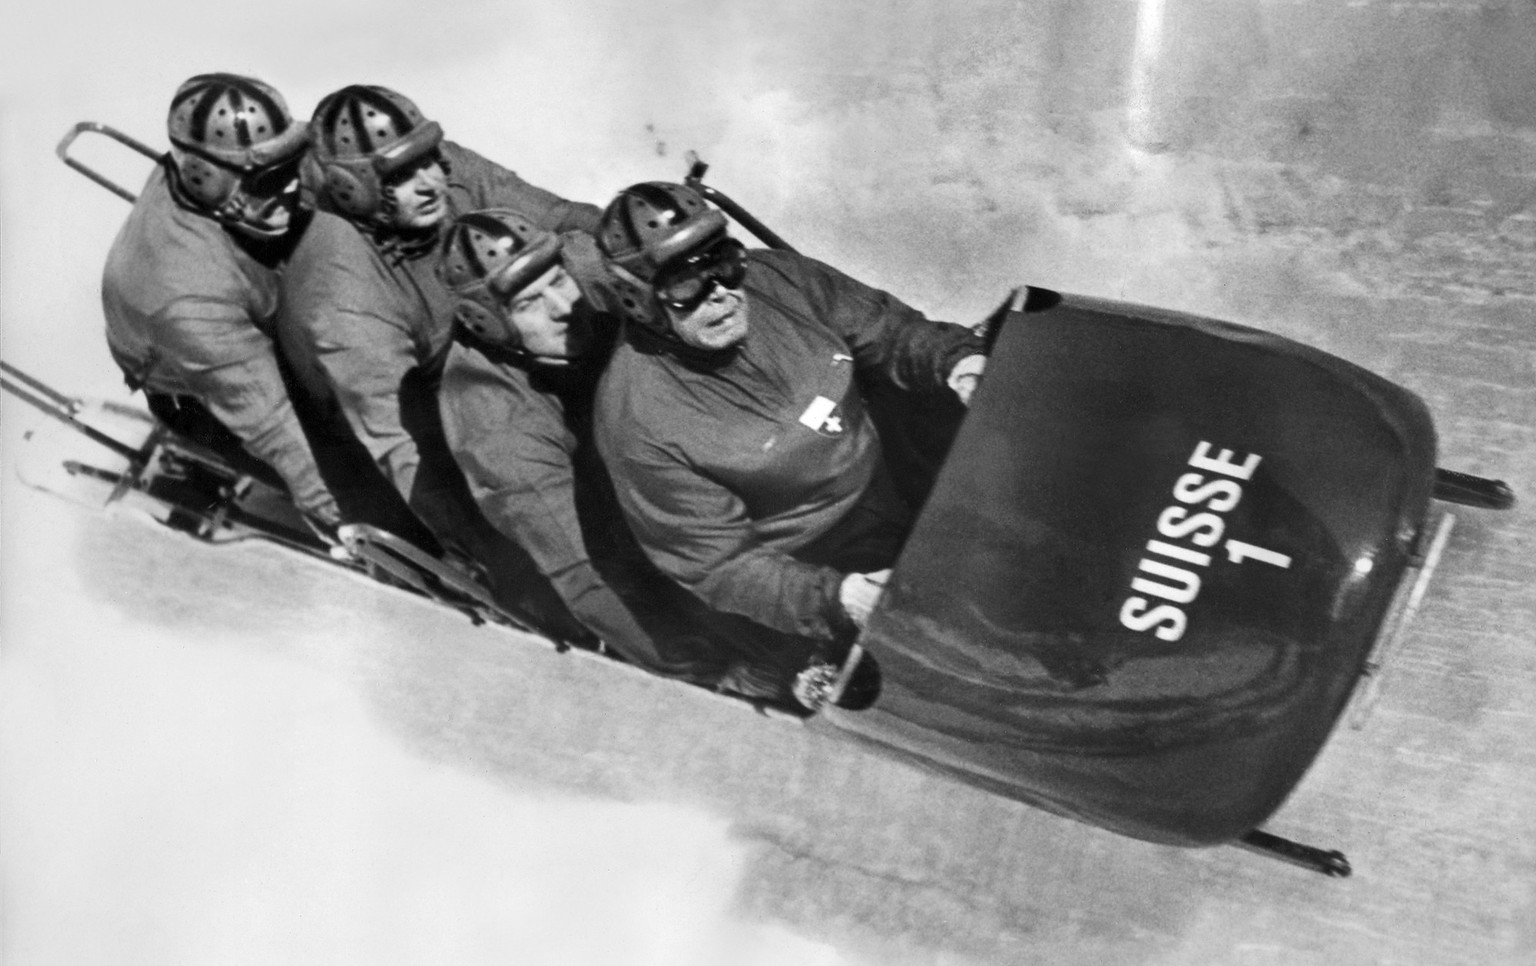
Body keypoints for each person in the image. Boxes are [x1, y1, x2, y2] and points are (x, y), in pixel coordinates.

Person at [592, 182, 987, 705]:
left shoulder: (781, 280)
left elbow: (891, 333)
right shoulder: (638, 420)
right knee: (950, 665)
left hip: (887, 471)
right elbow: (721, 565)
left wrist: (958, 363)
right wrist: (837, 599)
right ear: (641, 301)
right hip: (816, 557)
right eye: (687, 283)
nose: (720, 292)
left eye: (724, 264)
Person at [277, 84, 603, 635]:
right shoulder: (342, 291)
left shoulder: (441, 169)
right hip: (408, 413)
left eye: (427, 159)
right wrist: (500, 555)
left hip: (491, 350)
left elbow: (566, 220)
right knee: (523, 561)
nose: (430, 182)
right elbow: (401, 446)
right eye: (401, 176)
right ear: (355, 189)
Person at [436, 208, 804, 695]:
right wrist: (713, 671)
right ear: (491, 325)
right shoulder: (499, 426)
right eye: (529, 304)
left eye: (559, 281)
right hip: (598, 555)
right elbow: (584, 575)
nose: (563, 306)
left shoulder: (590, 274)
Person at [101, 72, 341, 530]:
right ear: (205, 180)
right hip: (195, 388)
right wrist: (352, 514)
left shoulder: (224, 184)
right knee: (347, 460)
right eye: (268, 180)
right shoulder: (186, 300)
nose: (290, 188)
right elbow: (277, 425)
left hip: (244, 303)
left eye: (290, 164)